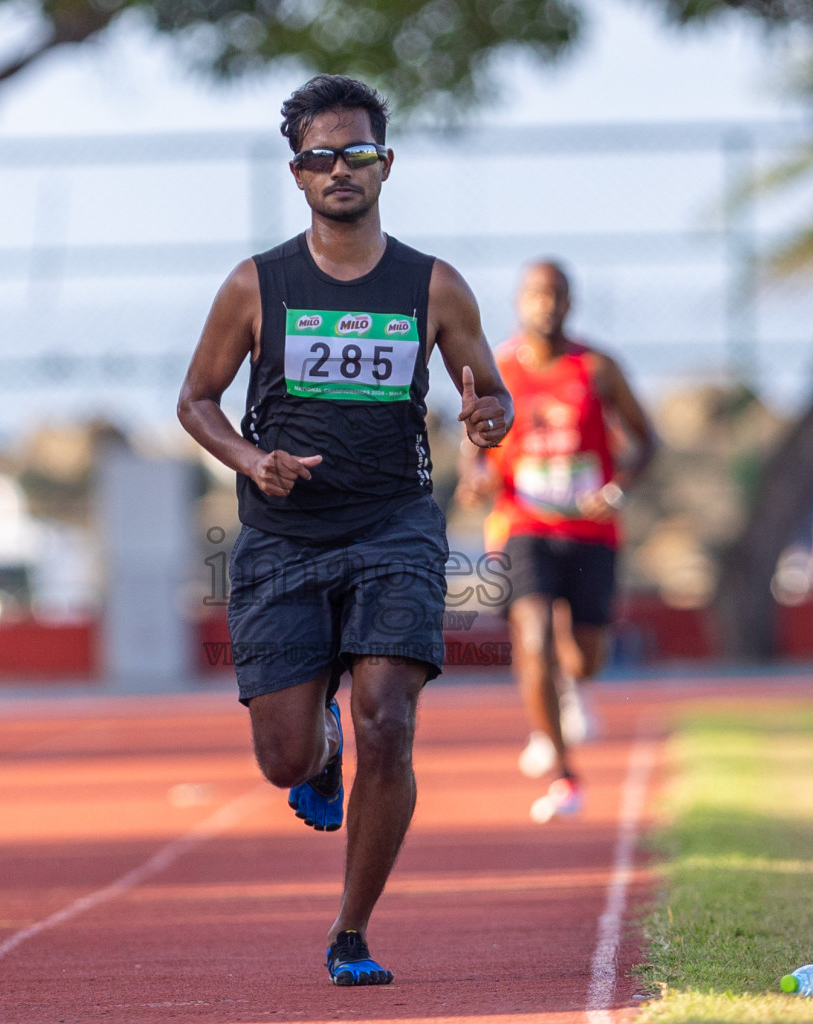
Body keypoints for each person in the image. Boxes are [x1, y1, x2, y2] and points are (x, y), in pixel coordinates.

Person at [177, 74, 511, 987]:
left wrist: (489, 415)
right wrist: (251, 460)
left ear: (384, 164)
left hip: (395, 527)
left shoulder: (432, 284)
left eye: (356, 152)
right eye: (321, 156)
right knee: (286, 760)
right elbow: (196, 400)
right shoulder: (258, 283)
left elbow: (488, 391)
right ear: (298, 174)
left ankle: (351, 930)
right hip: (283, 536)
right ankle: (316, 747)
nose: (340, 169)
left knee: (390, 720)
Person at [457, 260, 655, 822]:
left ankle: (570, 689)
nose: (546, 304)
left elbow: (647, 442)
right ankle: (563, 769)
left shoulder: (597, 368)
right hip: (523, 524)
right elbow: (474, 443)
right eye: (537, 294)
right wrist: (476, 476)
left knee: (585, 657)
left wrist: (618, 488)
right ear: (521, 302)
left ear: (570, 302)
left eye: (557, 294)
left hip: (591, 529)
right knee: (535, 634)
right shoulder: (497, 366)